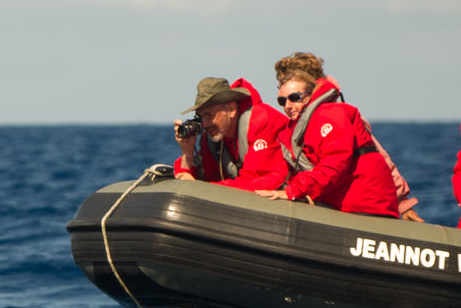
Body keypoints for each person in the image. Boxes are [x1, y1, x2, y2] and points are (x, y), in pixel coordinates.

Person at [251, 52, 405, 218]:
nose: (287, 105)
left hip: (363, 206)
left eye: (294, 97)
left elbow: (335, 163)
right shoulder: (297, 129)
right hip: (337, 203)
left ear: (310, 92)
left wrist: (293, 191)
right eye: (282, 101)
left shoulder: (330, 115)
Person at [173, 76, 288, 190]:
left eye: (209, 115)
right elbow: (209, 178)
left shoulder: (262, 122)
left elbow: (257, 181)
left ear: (232, 110)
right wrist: (187, 153)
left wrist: (200, 189)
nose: (205, 124)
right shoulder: (213, 137)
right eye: (201, 117)